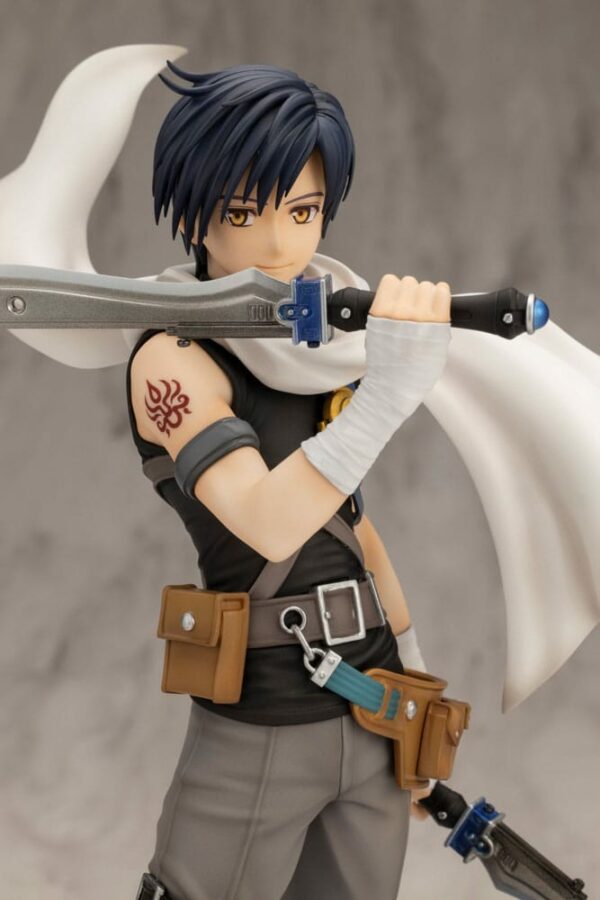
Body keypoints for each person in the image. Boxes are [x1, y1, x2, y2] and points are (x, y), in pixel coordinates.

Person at [126, 63, 451, 900]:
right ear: (194, 212)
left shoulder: (319, 349)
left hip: (372, 703)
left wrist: (414, 686)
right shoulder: (175, 360)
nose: (279, 245)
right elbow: (267, 522)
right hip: (259, 719)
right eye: (243, 213)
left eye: (302, 212)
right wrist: (388, 394)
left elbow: (354, 528)